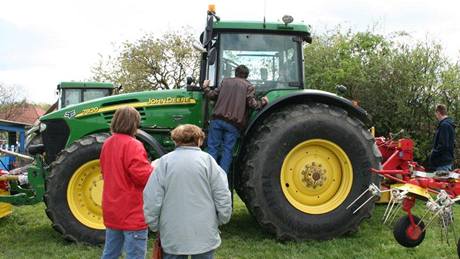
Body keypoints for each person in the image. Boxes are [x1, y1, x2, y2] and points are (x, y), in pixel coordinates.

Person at [143, 124, 232, 259]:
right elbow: (222, 193)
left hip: (173, 232)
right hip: (204, 231)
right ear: (199, 140)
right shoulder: (208, 162)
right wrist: (222, 218)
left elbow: (152, 197)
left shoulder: (163, 163)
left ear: (175, 140)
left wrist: (154, 224)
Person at [100, 106, 154, 259]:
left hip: (112, 209)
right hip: (131, 212)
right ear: (134, 124)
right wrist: (153, 169)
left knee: (110, 253)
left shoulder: (107, 143)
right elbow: (142, 176)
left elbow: (105, 171)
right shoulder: (133, 145)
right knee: (135, 255)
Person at [202, 65, 269, 174]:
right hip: (233, 124)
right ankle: (222, 178)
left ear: (235, 73)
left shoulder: (225, 82)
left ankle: (210, 175)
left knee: (212, 148)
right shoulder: (249, 86)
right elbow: (253, 104)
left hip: (217, 120)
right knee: (227, 151)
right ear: (246, 75)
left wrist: (205, 87)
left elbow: (212, 95)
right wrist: (263, 102)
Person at [429, 104, 456, 171]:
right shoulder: (449, 125)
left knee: (440, 181)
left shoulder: (444, 125)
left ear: (438, 112)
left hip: (442, 163)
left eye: (435, 113)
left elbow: (443, 145)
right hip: (446, 161)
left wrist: (433, 153)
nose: (436, 116)